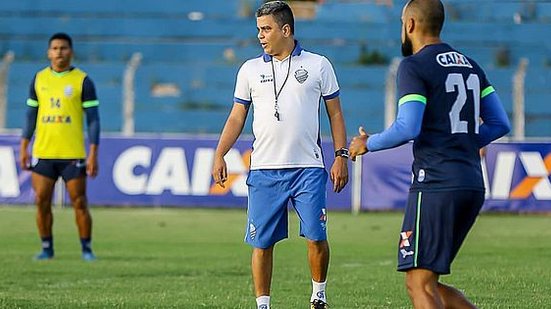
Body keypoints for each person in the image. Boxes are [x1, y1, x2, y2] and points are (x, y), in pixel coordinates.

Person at [349, 0, 510, 308]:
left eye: (401, 24)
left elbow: (408, 127)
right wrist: (463, 141)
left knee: (418, 283)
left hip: (436, 182)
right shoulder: (471, 65)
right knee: (428, 282)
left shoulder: (414, 66)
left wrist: (367, 143)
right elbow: (500, 123)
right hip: (471, 183)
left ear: (409, 24)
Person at [211, 2, 348, 308]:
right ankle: (263, 304)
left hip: (308, 168)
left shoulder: (318, 65)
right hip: (263, 170)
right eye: (259, 29)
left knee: (316, 236)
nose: (260, 35)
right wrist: (220, 153)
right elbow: (236, 117)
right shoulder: (249, 69)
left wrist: (341, 155)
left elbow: (335, 114)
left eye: (266, 29)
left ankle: (318, 296)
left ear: (286, 30)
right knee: (262, 242)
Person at [19, 32, 100, 261]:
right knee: (41, 201)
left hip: (73, 153)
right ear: (48, 52)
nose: (59, 52)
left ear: (71, 52)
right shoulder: (39, 79)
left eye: (63, 48)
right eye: (55, 48)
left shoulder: (83, 81)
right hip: (44, 153)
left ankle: (86, 249)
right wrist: (23, 146)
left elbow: (94, 119)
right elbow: (30, 116)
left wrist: (93, 152)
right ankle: (47, 248)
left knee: (80, 202)